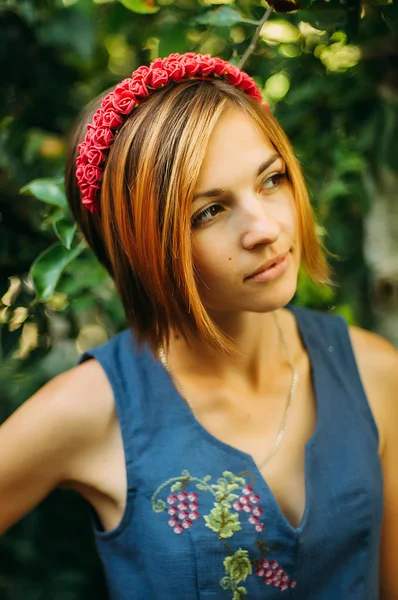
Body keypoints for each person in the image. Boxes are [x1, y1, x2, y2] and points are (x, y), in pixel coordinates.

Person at [1, 52, 397, 599]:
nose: (263, 227)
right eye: (208, 212)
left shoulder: (376, 373)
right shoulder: (91, 410)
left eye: (271, 179)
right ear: (143, 249)